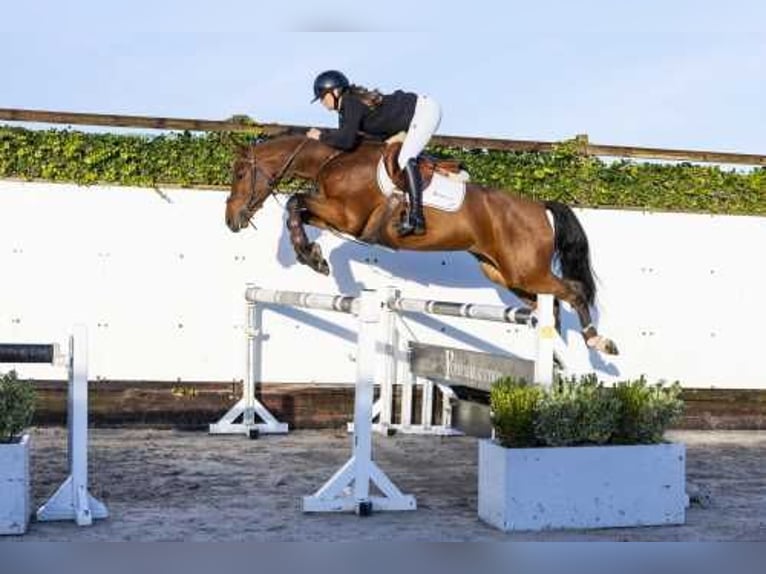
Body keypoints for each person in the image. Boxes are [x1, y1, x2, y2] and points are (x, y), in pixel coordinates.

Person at [306, 70, 441, 236]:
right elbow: (351, 142)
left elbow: (346, 141)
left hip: (423, 112)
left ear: (335, 91)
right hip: (411, 119)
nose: (322, 102)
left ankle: (417, 218)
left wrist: (320, 136)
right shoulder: (346, 110)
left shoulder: (350, 103)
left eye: (322, 96)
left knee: (406, 158)